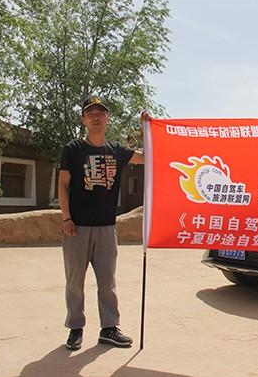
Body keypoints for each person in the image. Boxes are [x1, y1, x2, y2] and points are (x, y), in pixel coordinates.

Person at [58, 95, 149, 351]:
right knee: (75, 281)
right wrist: (66, 217)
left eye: (100, 113)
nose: (96, 117)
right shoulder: (73, 149)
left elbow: (148, 157)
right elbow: (62, 185)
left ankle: (109, 328)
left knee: (107, 282)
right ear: (83, 120)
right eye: (91, 114)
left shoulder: (117, 151)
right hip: (77, 227)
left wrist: (146, 128)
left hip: (107, 227)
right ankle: (75, 329)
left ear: (107, 118)